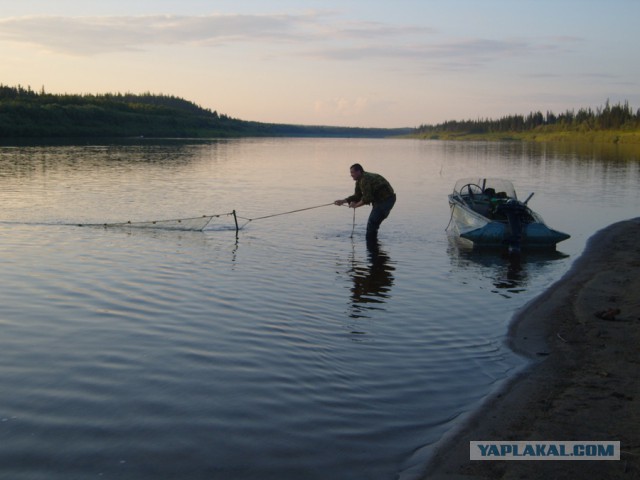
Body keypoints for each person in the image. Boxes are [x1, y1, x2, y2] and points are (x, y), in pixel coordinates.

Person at [334, 163, 396, 243]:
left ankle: (371, 244)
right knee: (372, 223)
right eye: (350, 173)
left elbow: (367, 198)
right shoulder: (359, 181)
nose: (351, 175)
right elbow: (357, 196)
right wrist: (343, 201)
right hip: (379, 200)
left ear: (359, 171)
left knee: (372, 222)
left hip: (387, 200)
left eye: (352, 172)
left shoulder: (365, 179)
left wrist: (356, 205)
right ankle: (372, 243)